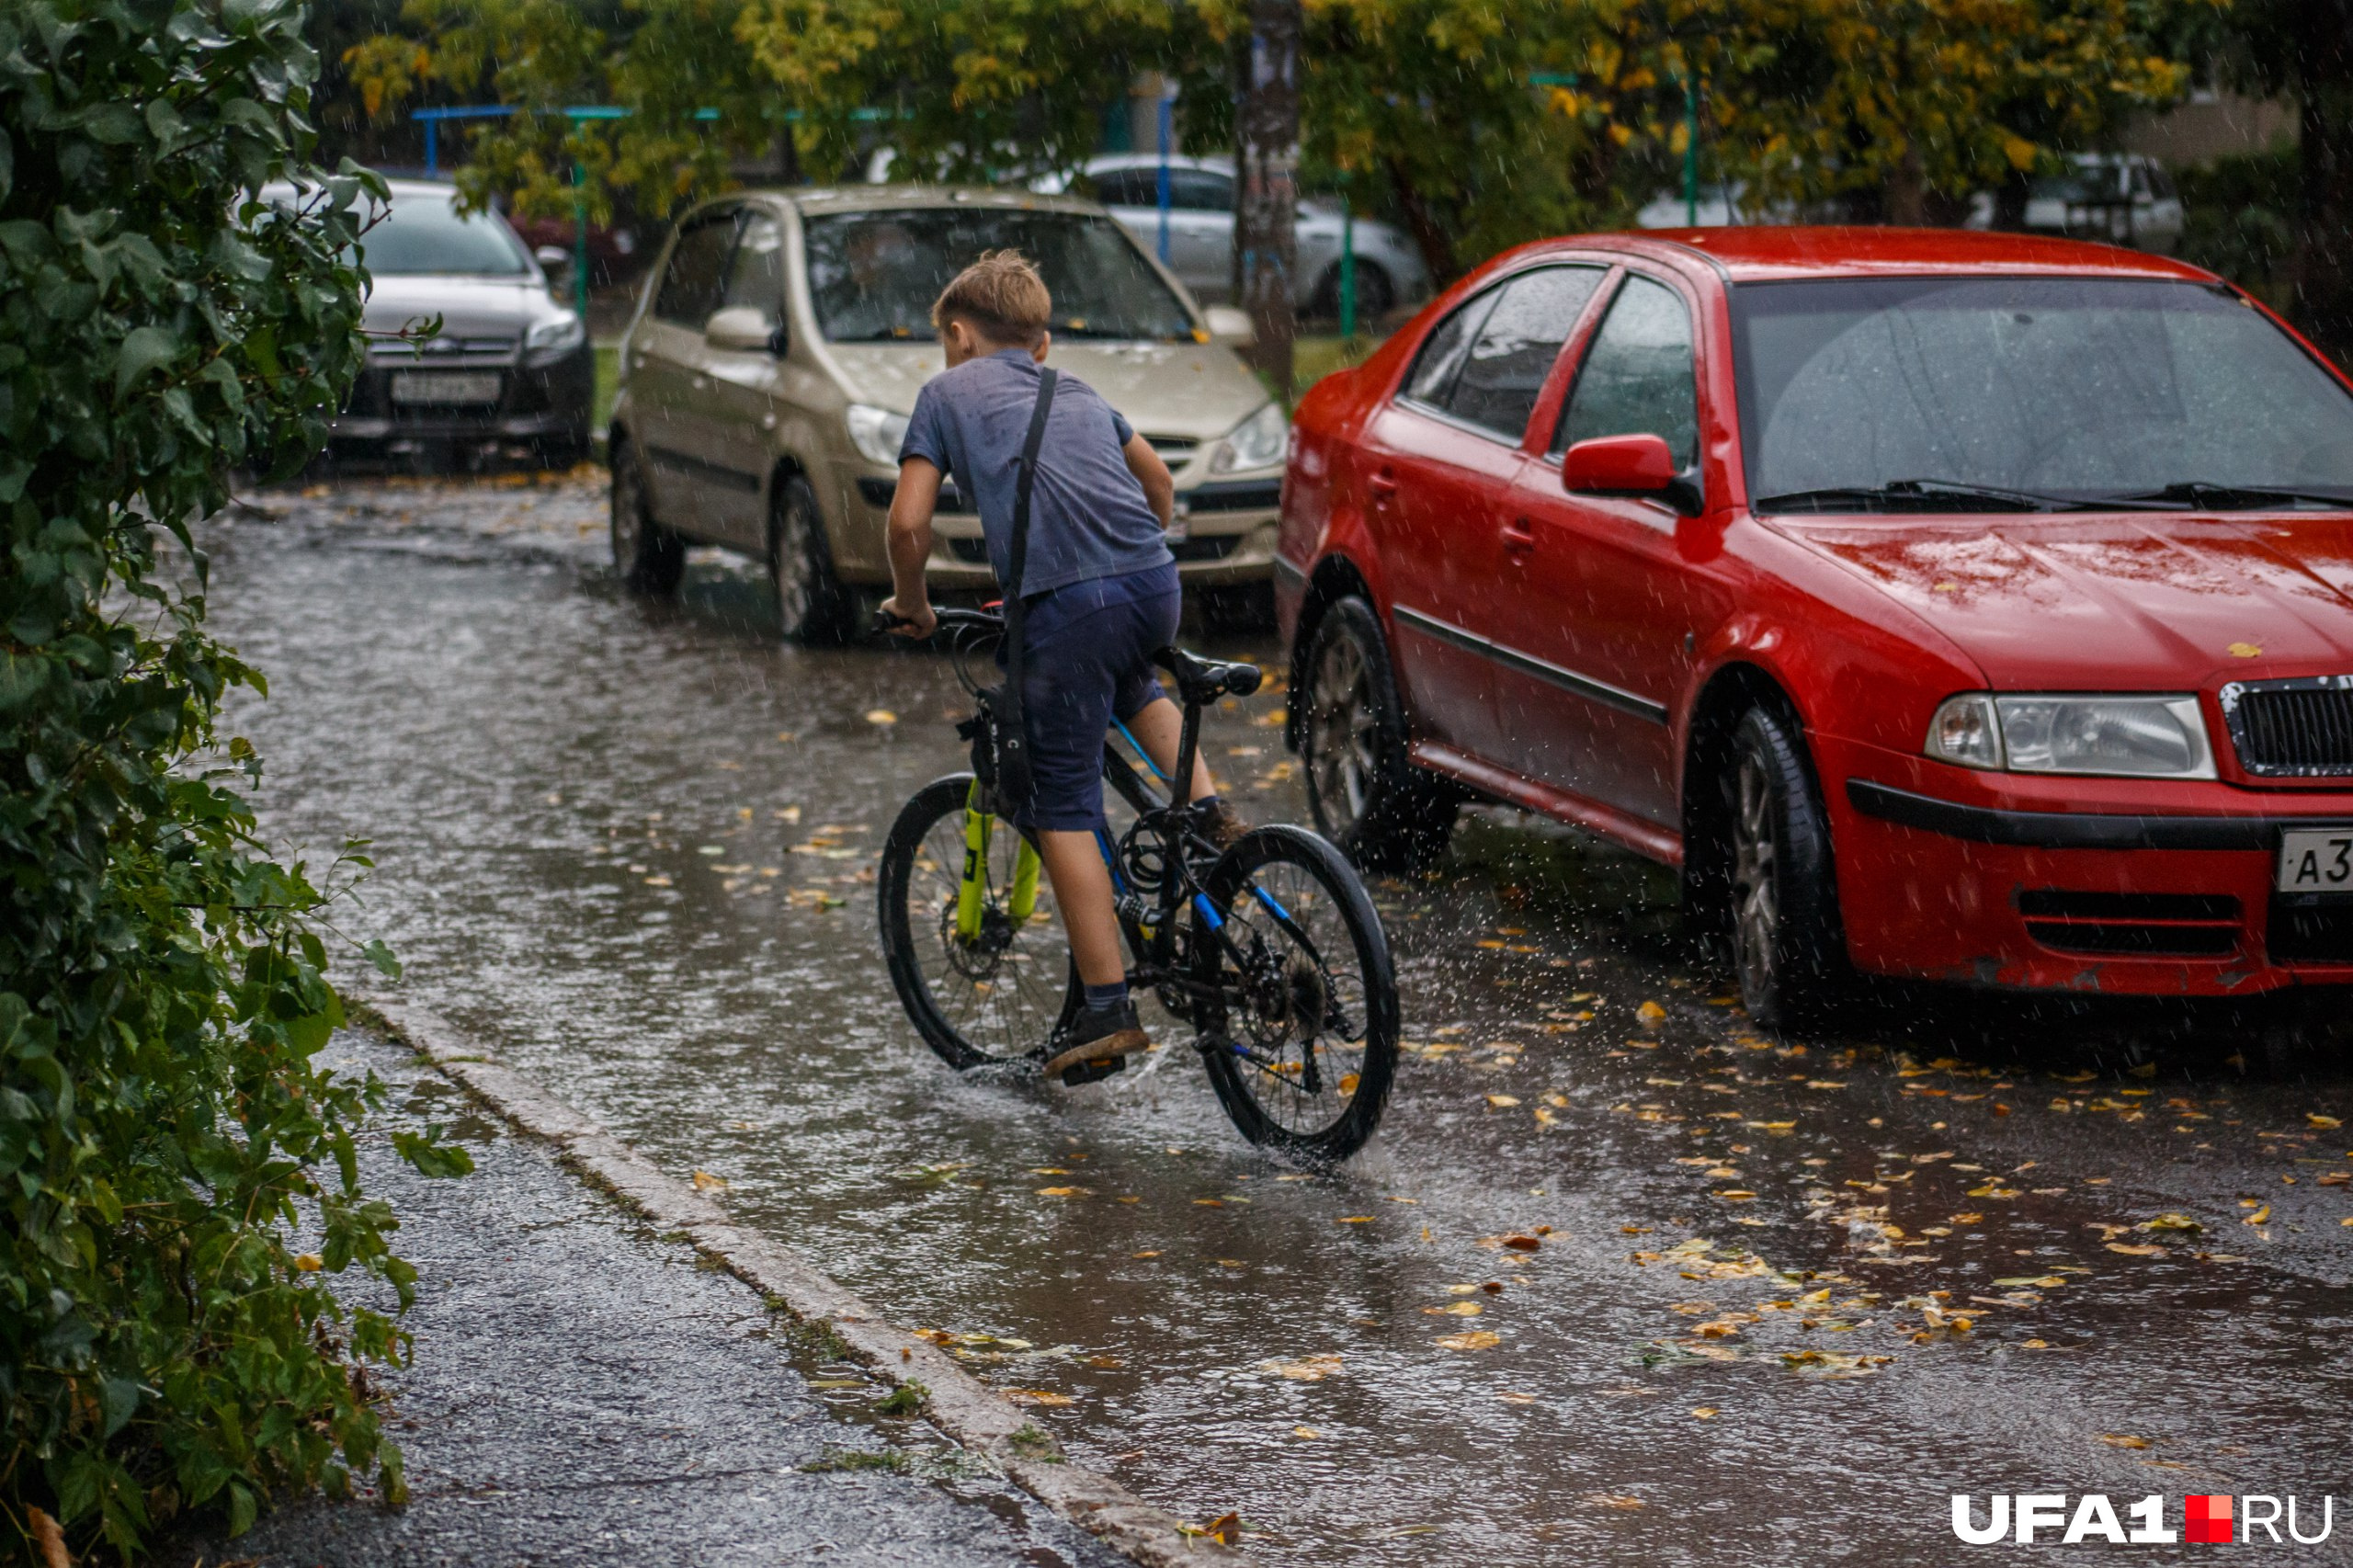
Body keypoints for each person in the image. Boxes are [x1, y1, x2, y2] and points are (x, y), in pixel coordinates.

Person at [880, 250, 1245, 1081]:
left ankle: (1108, 1010)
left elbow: (907, 526)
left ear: (960, 335)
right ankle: (1216, 820)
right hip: (1152, 584)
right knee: (1131, 680)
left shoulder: (945, 395)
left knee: (1061, 803)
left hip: (1068, 603)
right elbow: (1156, 479)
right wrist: (1130, 554)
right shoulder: (1075, 389)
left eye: (947, 343)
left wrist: (915, 602)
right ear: (1039, 345)